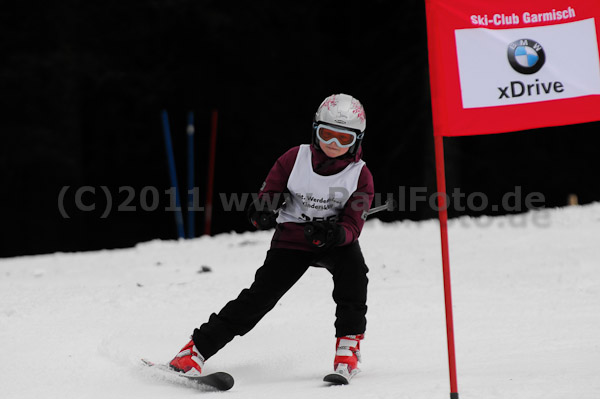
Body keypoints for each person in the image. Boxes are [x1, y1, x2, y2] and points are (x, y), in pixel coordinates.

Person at [169, 93, 375, 380]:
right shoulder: (295, 158)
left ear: (357, 141)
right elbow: (270, 192)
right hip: (292, 238)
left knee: (354, 274)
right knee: (259, 298)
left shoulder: (360, 175)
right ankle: (194, 351)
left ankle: (348, 347)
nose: (333, 144)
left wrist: (336, 232)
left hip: (334, 242)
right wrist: (263, 209)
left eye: (344, 139)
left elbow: (353, 225)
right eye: (327, 134)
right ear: (315, 130)